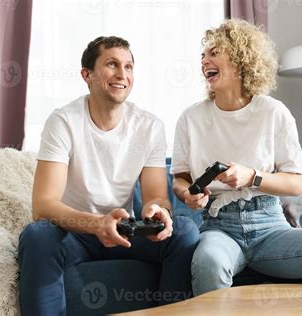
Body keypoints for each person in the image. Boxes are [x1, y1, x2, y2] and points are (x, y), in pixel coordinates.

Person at [170, 20, 302, 296]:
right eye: (203, 55)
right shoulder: (191, 118)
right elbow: (180, 178)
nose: (205, 60)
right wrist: (187, 195)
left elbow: (295, 184)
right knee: (209, 262)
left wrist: (252, 176)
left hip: (271, 226)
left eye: (214, 52)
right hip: (220, 226)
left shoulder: (273, 113)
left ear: (241, 58)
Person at [18, 36, 199, 314]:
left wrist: (157, 212)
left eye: (128, 67)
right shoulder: (63, 122)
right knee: (37, 234)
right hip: (75, 232)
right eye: (112, 65)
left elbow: (156, 198)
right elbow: (43, 205)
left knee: (185, 230)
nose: (122, 75)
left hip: (126, 231)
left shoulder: (149, 126)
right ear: (86, 75)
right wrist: (96, 224)